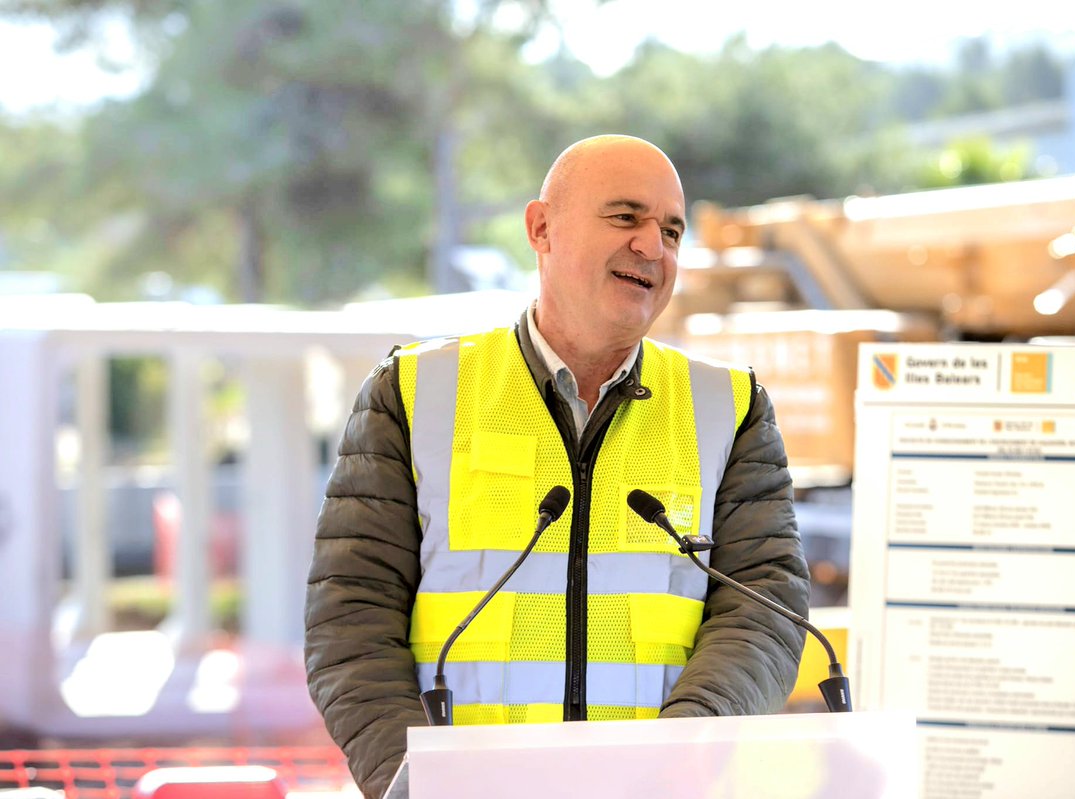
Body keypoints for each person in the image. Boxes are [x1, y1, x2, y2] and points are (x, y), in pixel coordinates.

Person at [304, 134, 811, 799]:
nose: (652, 247)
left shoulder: (732, 407)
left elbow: (766, 607)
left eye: (672, 230)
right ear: (541, 228)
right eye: (626, 217)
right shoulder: (411, 393)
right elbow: (351, 620)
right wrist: (416, 783)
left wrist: (687, 756)